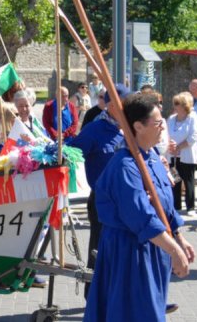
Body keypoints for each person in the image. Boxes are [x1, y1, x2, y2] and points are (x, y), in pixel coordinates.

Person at [84, 92, 194, 322]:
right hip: (129, 253)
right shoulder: (125, 166)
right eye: (157, 123)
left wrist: (178, 236)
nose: (163, 127)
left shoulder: (151, 157)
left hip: (153, 248)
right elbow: (140, 216)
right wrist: (173, 250)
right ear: (138, 126)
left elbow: (164, 202)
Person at [68, 83, 128, 299]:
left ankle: (126, 298)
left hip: (126, 201)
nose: (127, 108)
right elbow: (71, 153)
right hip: (102, 201)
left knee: (126, 251)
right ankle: (92, 296)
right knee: (100, 250)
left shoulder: (128, 129)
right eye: (124, 104)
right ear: (111, 105)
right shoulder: (95, 129)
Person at [167, 92, 197, 216]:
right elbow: (165, 134)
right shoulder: (171, 119)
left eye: (177, 103)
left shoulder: (193, 117)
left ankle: (190, 207)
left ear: (185, 105)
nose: (175, 106)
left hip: (186, 155)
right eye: (174, 103)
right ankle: (176, 205)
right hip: (172, 155)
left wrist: (179, 147)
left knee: (188, 181)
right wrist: (170, 145)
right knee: (175, 180)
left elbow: (194, 136)